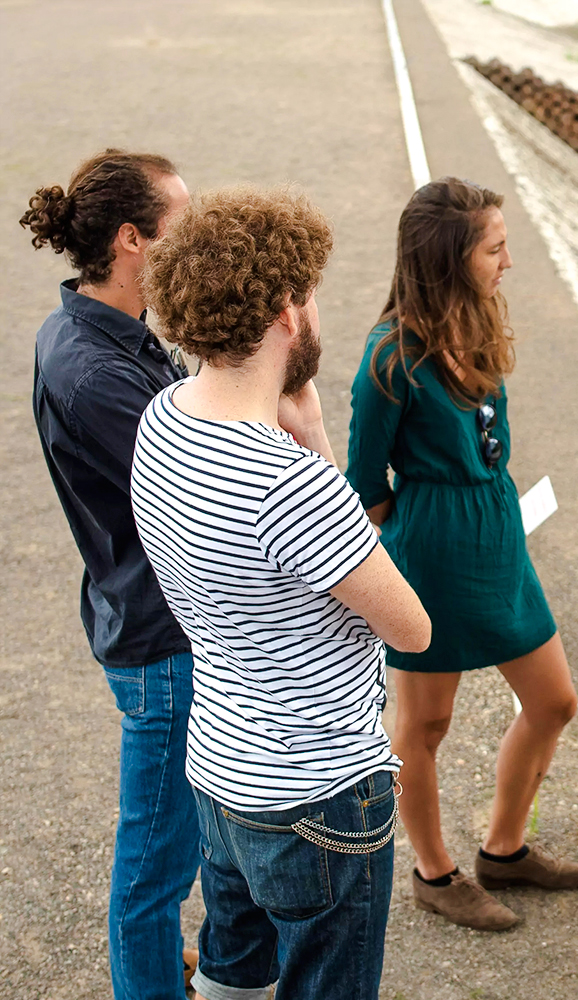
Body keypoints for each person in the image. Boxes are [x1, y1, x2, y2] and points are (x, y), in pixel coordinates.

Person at [130, 185, 431, 1000]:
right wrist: (324, 452)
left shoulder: (160, 421)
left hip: (221, 770)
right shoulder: (291, 485)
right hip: (319, 795)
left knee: (233, 973)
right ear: (288, 313)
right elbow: (411, 628)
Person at [346, 177, 578, 933]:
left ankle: (505, 849)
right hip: (431, 547)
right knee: (424, 726)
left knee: (553, 700)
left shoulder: (479, 317)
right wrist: (417, 537)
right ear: (451, 256)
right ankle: (434, 871)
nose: (508, 261)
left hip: (495, 532)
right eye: (495, 248)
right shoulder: (390, 355)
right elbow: (364, 480)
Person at [22, 149, 200, 1000]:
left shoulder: (104, 333)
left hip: (149, 620)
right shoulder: (94, 371)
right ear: (132, 239)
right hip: (160, 642)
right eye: (182, 223)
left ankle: (166, 960)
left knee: (180, 840)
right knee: (152, 871)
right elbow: (197, 483)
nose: (196, 239)